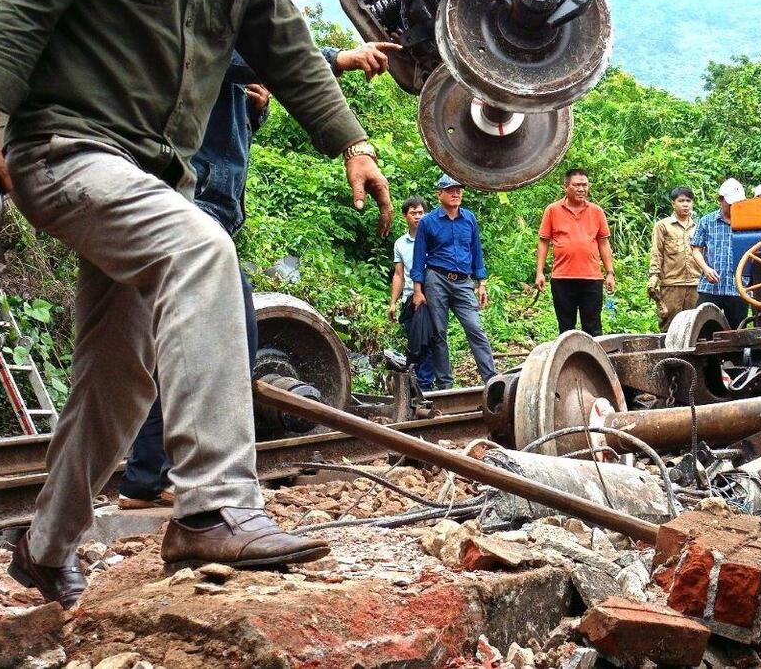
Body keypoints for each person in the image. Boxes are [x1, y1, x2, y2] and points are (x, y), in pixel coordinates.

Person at [0, 0, 393, 605]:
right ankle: (213, 509)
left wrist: (352, 141)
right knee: (201, 253)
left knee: (119, 374)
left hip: (147, 179)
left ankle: (46, 546)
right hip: (63, 150)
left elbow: (289, 50)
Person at [116, 45, 396, 511]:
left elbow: (231, 112)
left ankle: (150, 477)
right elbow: (237, 56)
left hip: (211, 211)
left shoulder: (232, 67)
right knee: (227, 337)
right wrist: (337, 60)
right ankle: (164, 476)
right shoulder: (204, 36)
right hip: (191, 205)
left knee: (195, 342)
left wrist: (253, 108)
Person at [413, 174, 496, 386]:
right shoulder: (428, 222)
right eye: (450, 190)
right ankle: (445, 385)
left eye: (459, 189)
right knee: (439, 333)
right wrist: (418, 290)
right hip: (436, 279)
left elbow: (476, 250)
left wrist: (482, 282)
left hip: (463, 282)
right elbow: (419, 257)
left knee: (475, 328)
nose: (456, 193)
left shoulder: (469, 218)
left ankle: (492, 380)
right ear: (439, 193)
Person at [534, 168, 616, 336]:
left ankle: (593, 362)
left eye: (584, 185)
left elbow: (603, 242)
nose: (581, 189)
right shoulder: (552, 210)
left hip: (592, 278)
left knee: (593, 328)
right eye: (576, 185)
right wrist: (540, 272)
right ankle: (569, 362)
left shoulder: (596, 211)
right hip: (562, 279)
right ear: (566, 187)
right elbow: (544, 242)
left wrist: (610, 273)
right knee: (566, 329)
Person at [389, 195, 439, 389]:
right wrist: (393, 302)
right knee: (415, 341)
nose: (418, 216)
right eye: (413, 213)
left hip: (433, 296)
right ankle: (416, 384)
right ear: (405, 216)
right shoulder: (400, 244)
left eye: (421, 213)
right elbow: (399, 274)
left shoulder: (434, 238)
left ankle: (426, 385)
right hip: (411, 299)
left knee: (431, 340)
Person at [691, 178, 750, 329]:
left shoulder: (749, 221)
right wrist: (706, 269)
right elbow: (696, 249)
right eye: (730, 204)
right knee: (702, 328)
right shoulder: (707, 221)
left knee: (737, 332)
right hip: (710, 287)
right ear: (720, 200)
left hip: (737, 287)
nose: (734, 207)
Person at [647, 186, 700, 331]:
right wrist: (654, 275)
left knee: (694, 326)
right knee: (669, 325)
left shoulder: (699, 227)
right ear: (673, 203)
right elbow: (657, 252)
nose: (685, 204)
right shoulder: (663, 226)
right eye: (681, 201)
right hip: (671, 283)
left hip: (695, 283)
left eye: (688, 201)